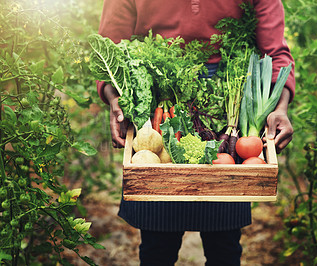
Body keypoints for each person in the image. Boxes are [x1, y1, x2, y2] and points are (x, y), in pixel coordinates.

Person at [96, 0, 295, 265]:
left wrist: (279, 107)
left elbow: (276, 53)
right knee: (157, 244)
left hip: (224, 110)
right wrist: (114, 98)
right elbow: (110, 50)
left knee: (224, 244)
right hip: (158, 101)